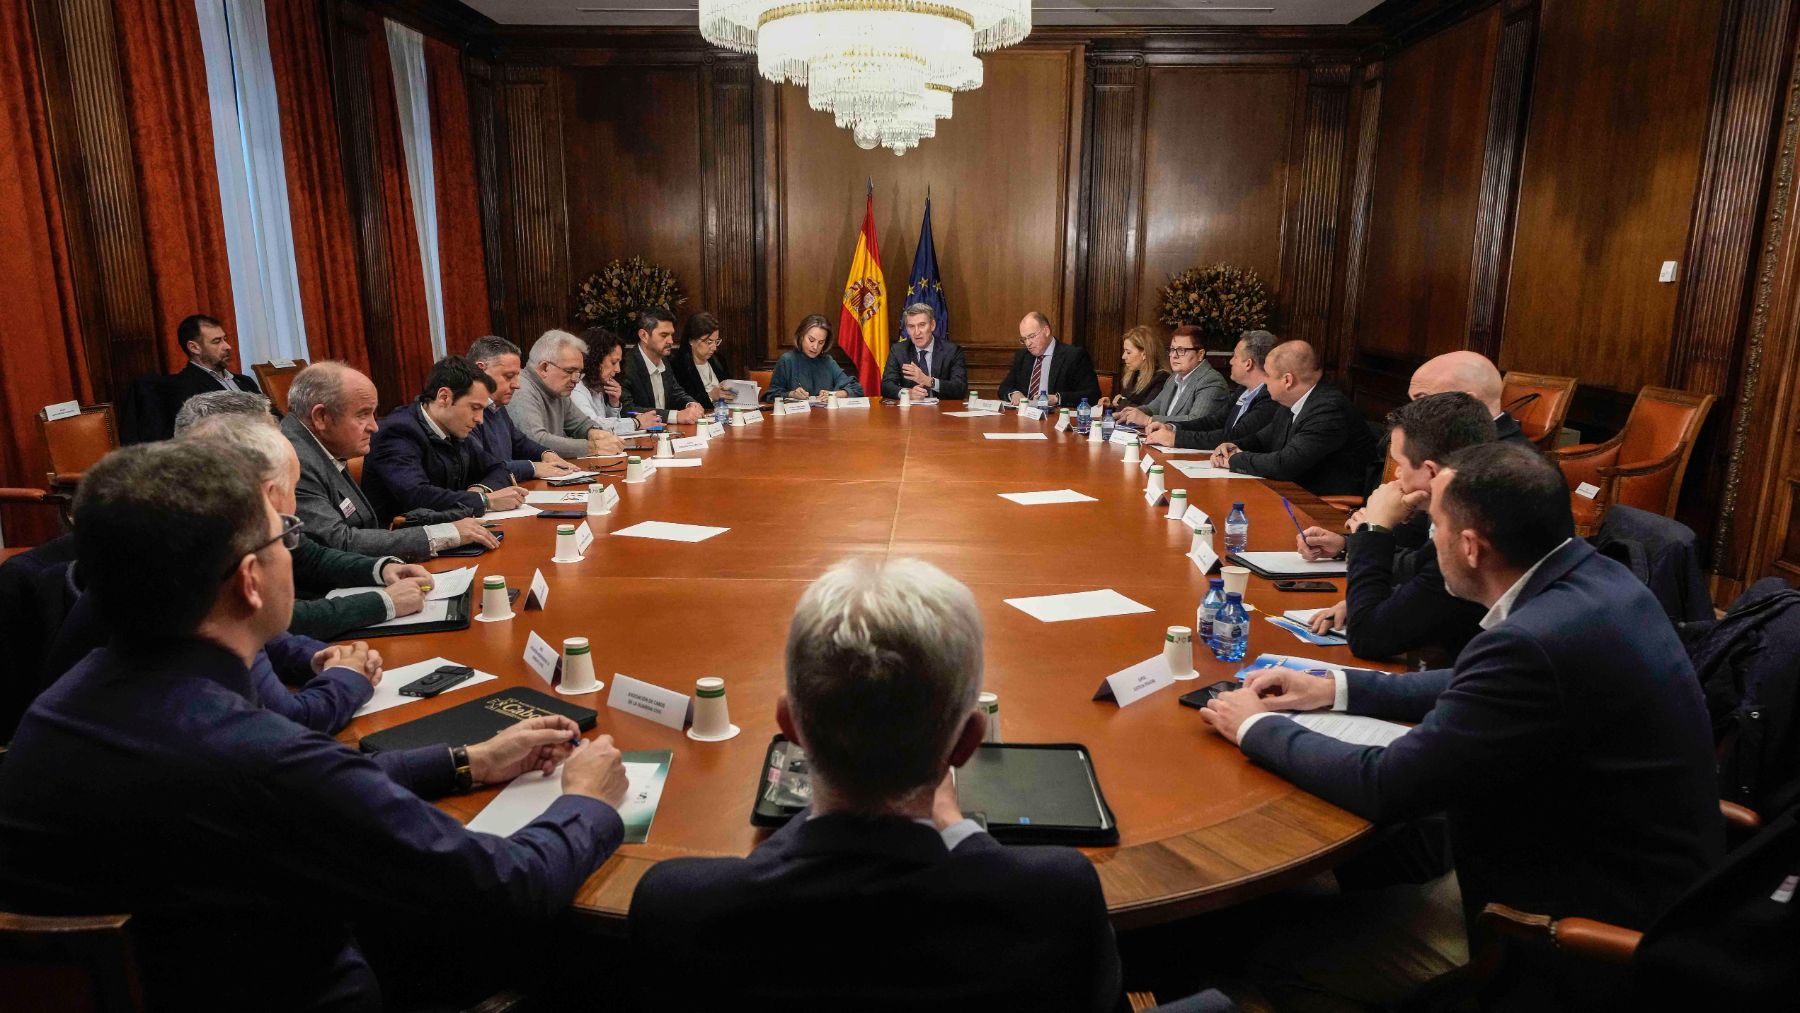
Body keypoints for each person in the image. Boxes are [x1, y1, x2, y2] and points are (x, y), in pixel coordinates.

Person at [0, 441, 634, 1011]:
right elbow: (502, 892)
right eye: (287, 539)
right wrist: (585, 802)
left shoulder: (58, 709)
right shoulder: (256, 755)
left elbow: (298, 793)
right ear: (250, 581)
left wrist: (471, 760)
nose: (292, 554)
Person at [1199, 443, 1723, 1007]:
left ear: (1470, 547)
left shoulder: (1530, 641)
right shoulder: (1594, 582)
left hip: (1562, 931)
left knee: (1266, 956)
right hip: (1647, 878)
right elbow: (1473, 685)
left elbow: (1389, 785)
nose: (1429, 541)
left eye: (1435, 528)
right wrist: (1336, 688)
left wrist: (1255, 727)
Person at [628, 558, 1123, 1011]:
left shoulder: (678, 907)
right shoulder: (1058, 898)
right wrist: (957, 827)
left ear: (791, 727)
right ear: (968, 744)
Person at [177, 394, 432, 638]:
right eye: (269, 439)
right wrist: (383, 602)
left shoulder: (239, 505)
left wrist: (382, 569)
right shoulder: (187, 530)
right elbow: (268, 619)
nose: (281, 444)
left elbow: (307, 556)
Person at [1295, 393, 1495, 661]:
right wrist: (1350, 546)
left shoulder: (1467, 535)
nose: (1397, 475)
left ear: (1432, 472)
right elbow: (1420, 568)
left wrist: (1374, 530)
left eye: (1400, 465)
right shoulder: (1478, 502)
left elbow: (1367, 639)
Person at [281, 362, 498, 562]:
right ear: (321, 417)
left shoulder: (325, 446)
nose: (374, 427)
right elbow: (339, 542)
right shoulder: (292, 459)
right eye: (363, 415)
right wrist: (445, 534)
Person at [362, 356, 525, 521]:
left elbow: (499, 468)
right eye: (474, 408)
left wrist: (479, 491)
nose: (480, 419)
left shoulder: (453, 428)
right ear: (444, 397)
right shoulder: (398, 431)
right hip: (406, 537)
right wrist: (484, 501)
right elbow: (417, 496)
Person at [1209, 340, 1376, 496]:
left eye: (1267, 375)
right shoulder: (1291, 402)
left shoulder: (1328, 410)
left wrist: (1235, 459)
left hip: (1320, 504)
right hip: (1291, 492)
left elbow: (1284, 465)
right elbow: (1262, 439)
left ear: (1287, 380)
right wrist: (1232, 447)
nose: (1264, 382)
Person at [466, 335, 580, 482]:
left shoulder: (497, 407)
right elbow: (483, 465)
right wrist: (533, 468)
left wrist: (545, 454)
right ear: (480, 369)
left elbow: (520, 442)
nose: (516, 385)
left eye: (517, 376)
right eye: (508, 376)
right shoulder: (464, 412)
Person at [1145, 329, 1282, 450]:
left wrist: (1175, 438)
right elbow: (1213, 421)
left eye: (1235, 356)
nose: (1230, 362)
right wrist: (1172, 427)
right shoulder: (1243, 390)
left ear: (1248, 364)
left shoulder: (1269, 397)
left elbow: (1235, 436)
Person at [509, 328, 627, 460]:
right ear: (544, 367)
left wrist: (596, 433)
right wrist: (593, 447)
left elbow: (581, 424)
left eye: (579, 372)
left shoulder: (557, 390)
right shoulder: (520, 389)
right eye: (570, 371)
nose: (576, 379)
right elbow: (536, 441)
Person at [1408, 350, 1534, 447]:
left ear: (1467, 402)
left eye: (1422, 400)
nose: (1410, 412)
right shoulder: (1455, 440)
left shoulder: (1508, 463)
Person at [1114, 324, 1227, 426]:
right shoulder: (1174, 378)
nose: (1174, 356)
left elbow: (1195, 420)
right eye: (1172, 350)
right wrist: (1129, 413)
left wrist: (1148, 420)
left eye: (1181, 350)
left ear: (1200, 354)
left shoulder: (1211, 381)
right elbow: (1154, 407)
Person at [998, 311, 1102, 407]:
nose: (1028, 343)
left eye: (1032, 336)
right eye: (1024, 339)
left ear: (1046, 331)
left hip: (1056, 419)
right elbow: (1004, 388)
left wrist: (1057, 398)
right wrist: (1014, 394)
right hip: (1025, 418)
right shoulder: (1023, 356)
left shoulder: (1074, 356)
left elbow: (1093, 395)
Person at [620, 308, 706, 423]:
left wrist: (691, 404)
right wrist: (675, 416)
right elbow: (626, 410)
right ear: (644, 335)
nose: (670, 341)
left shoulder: (664, 359)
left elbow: (675, 392)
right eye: (664, 335)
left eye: (671, 335)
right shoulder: (625, 366)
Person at [879, 303, 969, 401]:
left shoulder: (952, 351)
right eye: (911, 326)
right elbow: (886, 386)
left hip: (942, 411)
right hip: (911, 413)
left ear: (932, 325)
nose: (917, 332)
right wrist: (907, 393)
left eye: (922, 325)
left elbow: (960, 388)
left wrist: (927, 380)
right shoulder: (899, 351)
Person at [765, 314, 864, 401]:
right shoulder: (787, 360)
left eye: (821, 342)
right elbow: (771, 395)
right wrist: (792, 394)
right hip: (796, 420)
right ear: (801, 336)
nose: (815, 347)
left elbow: (857, 389)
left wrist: (834, 394)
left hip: (825, 419)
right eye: (811, 340)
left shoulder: (828, 362)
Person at [166, 313, 262, 404]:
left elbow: (274, 416)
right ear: (194, 348)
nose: (228, 346)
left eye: (225, 339)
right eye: (217, 341)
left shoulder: (246, 381)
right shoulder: (185, 387)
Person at [570, 326, 644, 434]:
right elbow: (593, 426)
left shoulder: (595, 387)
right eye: (613, 362)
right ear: (595, 360)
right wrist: (637, 422)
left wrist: (613, 403)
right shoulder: (575, 388)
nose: (618, 369)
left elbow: (609, 426)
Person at [668, 311, 740, 411]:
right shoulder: (678, 365)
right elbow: (680, 402)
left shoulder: (719, 360)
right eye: (709, 342)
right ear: (691, 340)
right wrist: (711, 396)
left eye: (716, 341)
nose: (714, 347)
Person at [1100, 325, 1169, 410]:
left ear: (1144, 354)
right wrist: (1110, 407)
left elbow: (1146, 410)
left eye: (1128, 352)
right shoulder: (1133, 373)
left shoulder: (1162, 378)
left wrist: (1120, 402)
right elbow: (1124, 408)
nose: (1123, 356)